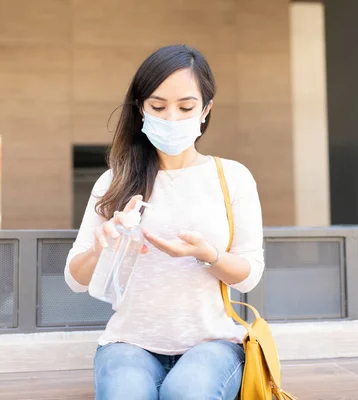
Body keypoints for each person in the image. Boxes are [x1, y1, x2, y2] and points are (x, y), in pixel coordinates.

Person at [64, 44, 265, 400]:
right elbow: (75, 280)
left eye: (186, 107)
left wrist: (209, 255)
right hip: (129, 342)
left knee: (187, 392)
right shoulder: (114, 181)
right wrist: (100, 248)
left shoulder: (232, 177)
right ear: (141, 109)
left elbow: (249, 272)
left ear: (205, 110)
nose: (171, 117)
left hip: (212, 342)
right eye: (158, 106)